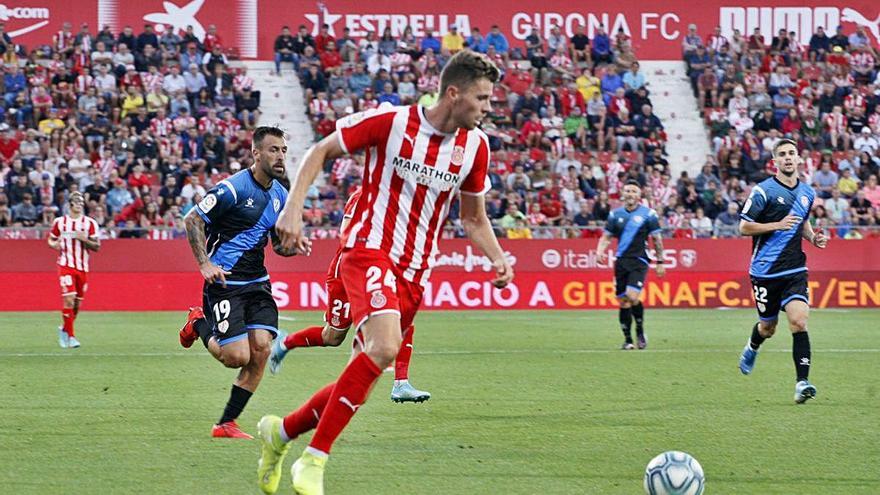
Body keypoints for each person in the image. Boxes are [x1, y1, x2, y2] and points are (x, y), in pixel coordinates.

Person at [260, 49, 514, 495]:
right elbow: (322, 150)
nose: (489, 108)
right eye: (483, 98)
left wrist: (497, 257)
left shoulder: (476, 147)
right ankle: (313, 461)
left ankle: (280, 433)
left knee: (367, 365)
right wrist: (293, 209)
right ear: (453, 93)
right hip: (369, 249)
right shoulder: (392, 122)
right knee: (386, 346)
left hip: (416, 270)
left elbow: (473, 217)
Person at [177, 126, 297, 439]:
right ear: (256, 153)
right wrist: (204, 263)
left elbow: (278, 245)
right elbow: (193, 219)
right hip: (225, 283)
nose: (280, 156)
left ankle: (226, 424)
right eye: (273, 150)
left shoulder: (280, 195)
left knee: (262, 349)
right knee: (236, 357)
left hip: (258, 283)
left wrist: (293, 245)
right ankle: (198, 322)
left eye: (283, 150)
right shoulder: (232, 189)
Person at [268, 187, 431, 403]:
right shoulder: (363, 194)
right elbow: (347, 233)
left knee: (399, 316)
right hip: (347, 271)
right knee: (332, 337)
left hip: (376, 269)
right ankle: (286, 342)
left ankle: (401, 383)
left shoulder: (399, 198)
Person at [737, 138, 826, 404]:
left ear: (799, 159)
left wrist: (812, 238)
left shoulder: (808, 193)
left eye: (792, 153)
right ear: (774, 162)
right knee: (768, 328)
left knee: (799, 321)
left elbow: (802, 219)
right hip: (765, 271)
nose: (788, 158)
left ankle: (802, 383)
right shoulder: (763, 191)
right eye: (782, 155)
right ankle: (752, 346)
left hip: (795, 268)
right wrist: (776, 224)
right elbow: (744, 227)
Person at [596, 180, 665, 350]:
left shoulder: (649, 214)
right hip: (621, 261)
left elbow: (657, 239)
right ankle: (628, 340)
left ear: (639, 195)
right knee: (624, 302)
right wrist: (600, 251)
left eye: (634, 191)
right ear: (623, 194)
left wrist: (660, 261)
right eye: (627, 190)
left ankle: (640, 331)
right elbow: (606, 237)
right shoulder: (615, 215)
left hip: (639, 260)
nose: (630, 194)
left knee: (633, 296)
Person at [47, 191, 101, 348]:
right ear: (70, 204)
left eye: (82, 202)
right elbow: (51, 238)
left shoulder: (90, 223)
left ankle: (64, 329)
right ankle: (71, 337)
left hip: (83, 267)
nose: (80, 204)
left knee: (76, 304)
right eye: (77, 202)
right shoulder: (60, 222)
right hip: (65, 265)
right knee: (68, 299)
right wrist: (53, 244)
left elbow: (97, 246)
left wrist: (84, 239)